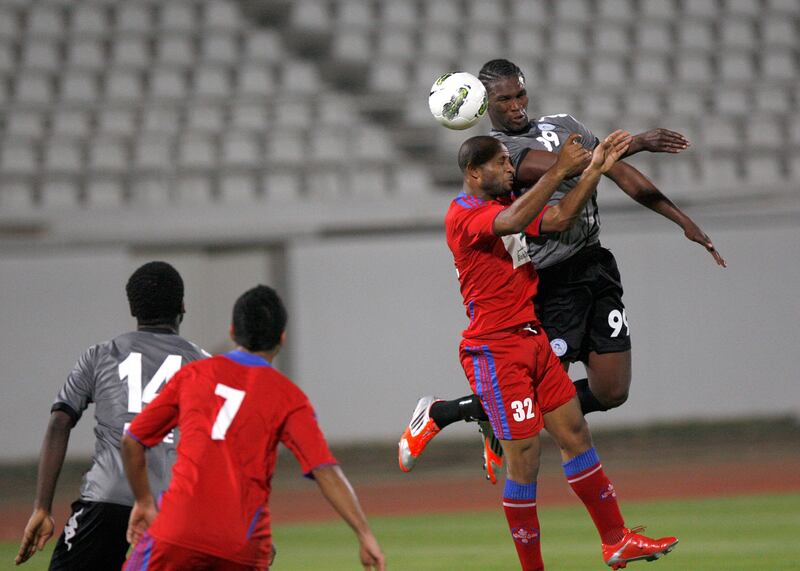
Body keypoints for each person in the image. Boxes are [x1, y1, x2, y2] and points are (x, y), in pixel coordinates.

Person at [399, 59, 726, 482]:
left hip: (596, 264)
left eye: (520, 94)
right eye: (504, 99)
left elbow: (617, 172)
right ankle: (444, 412)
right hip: (553, 281)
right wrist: (638, 140)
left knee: (612, 391)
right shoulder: (502, 153)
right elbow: (580, 164)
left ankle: (494, 421)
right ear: (485, 105)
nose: (516, 105)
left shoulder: (563, 123)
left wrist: (681, 220)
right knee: (535, 395)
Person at [436, 133, 677, 570]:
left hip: (532, 339)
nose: (511, 169)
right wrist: (560, 168)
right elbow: (510, 222)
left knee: (574, 433)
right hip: (495, 349)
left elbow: (563, 216)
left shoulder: (500, 208)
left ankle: (616, 540)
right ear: (475, 172)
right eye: (502, 163)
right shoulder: (463, 215)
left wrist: (596, 170)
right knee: (525, 461)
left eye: (511, 162)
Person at [120, 285, 385, 571]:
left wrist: (144, 501)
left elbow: (133, 439)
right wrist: (364, 533)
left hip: (177, 532)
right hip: (244, 543)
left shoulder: (193, 375)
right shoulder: (289, 398)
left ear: (233, 330)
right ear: (281, 338)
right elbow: (325, 470)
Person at [16, 261, 209, 569]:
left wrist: (42, 507)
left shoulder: (100, 354)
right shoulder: (204, 365)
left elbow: (59, 421)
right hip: (176, 505)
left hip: (107, 497)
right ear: (183, 306)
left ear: (133, 309)